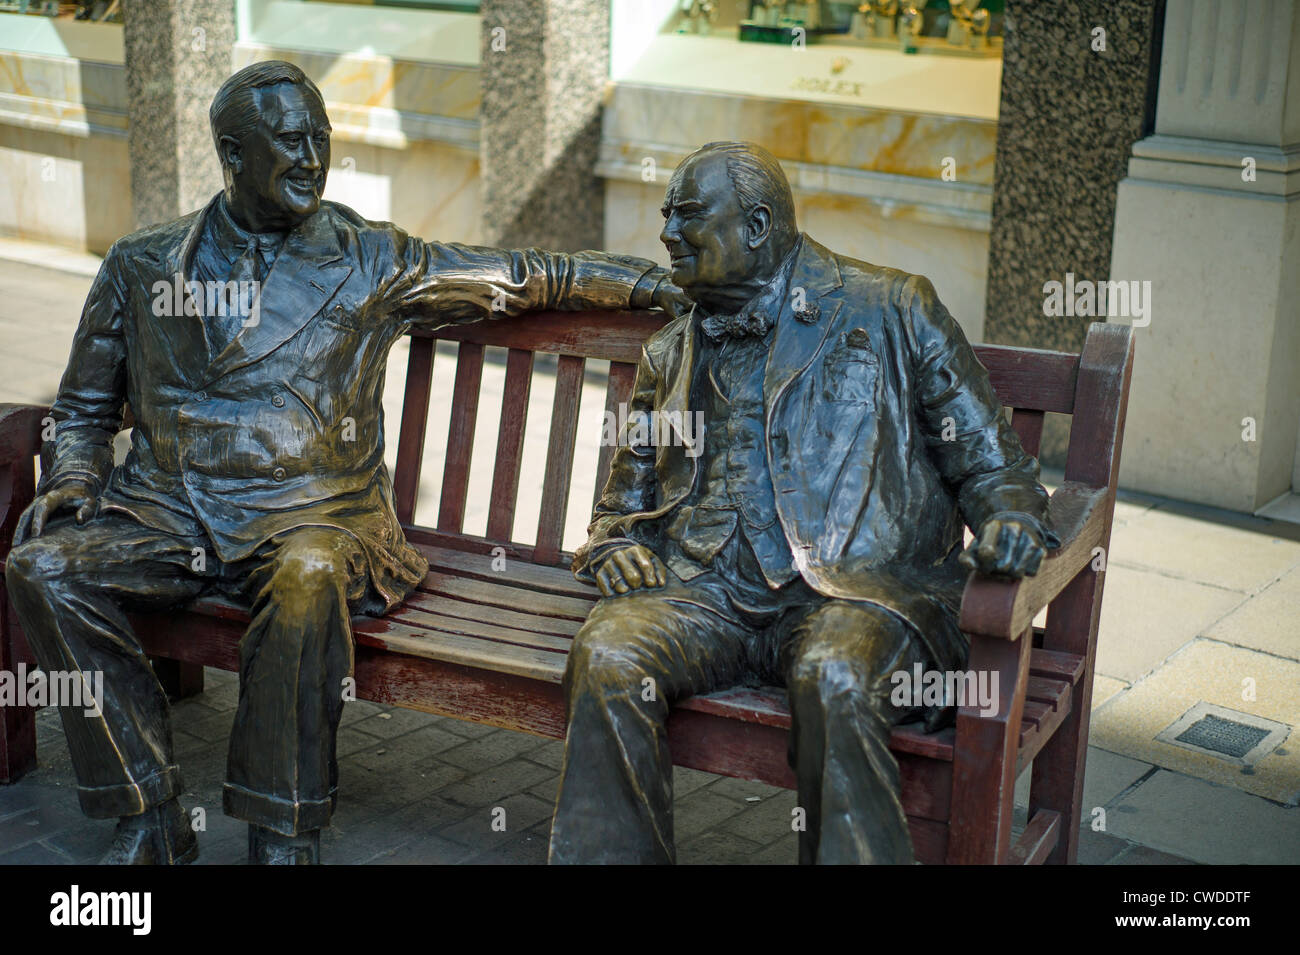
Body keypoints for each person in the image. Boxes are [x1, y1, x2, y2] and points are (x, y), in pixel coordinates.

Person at [5, 60, 679, 865]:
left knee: (309, 572)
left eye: (321, 138)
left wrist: (655, 283)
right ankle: (144, 811)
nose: (312, 158)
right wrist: (77, 475)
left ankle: (282, 828)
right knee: (44, 567)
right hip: (167, 514)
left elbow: (528, 275)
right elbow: (83, 408)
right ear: (231, 151)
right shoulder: (143, 263)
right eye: (290, 141)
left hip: (317, 516)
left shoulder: (370, 257)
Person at [548, 141, 1059, 865]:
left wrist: (1010, 518)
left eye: (688, 216)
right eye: (666, 215)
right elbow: (620, 508)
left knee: (835, 674)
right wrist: (616, 544)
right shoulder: (670, 351)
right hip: (708, 593)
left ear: (756, 225)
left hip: (854, 594)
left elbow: (992, 458)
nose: (666, 233)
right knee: (606, 652)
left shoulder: (889, 306)